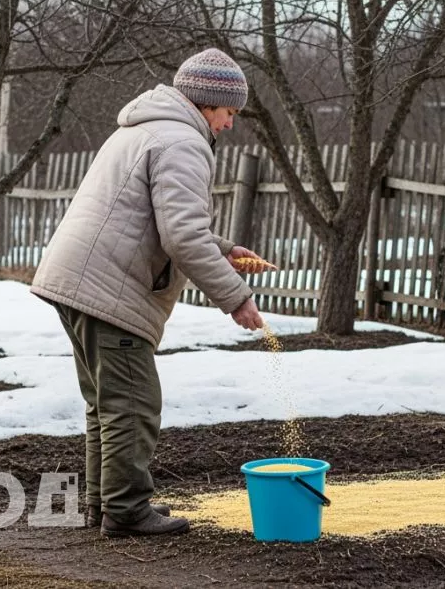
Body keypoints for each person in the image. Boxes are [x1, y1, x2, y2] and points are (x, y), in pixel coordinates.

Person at [30, 48, 270, 537]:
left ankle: (106, 505)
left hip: (82, 280)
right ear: (207, 103)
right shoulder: (182, 141)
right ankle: (126, 511)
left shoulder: (146, 128)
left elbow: (152, 218)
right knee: (133, 403)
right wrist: (236, 298)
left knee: (107, 403)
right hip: (109, 287)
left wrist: (222, 249)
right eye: (229, 112)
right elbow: (180, 236)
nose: (229, 124)